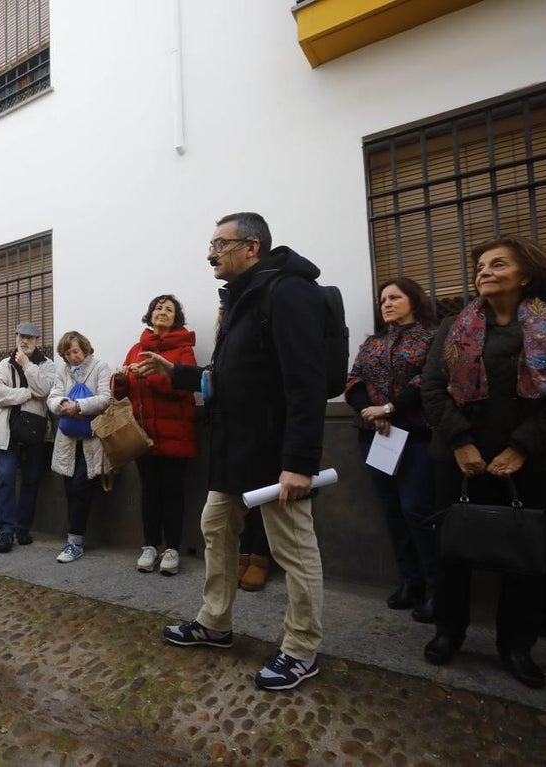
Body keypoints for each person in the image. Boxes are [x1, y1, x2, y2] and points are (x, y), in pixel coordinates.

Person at [143, 212, 328, 692]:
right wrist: (175, 371)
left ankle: (302, 648)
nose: (211, 253)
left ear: (252, 247)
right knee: (215, 527)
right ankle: (215, 622)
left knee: (292, 548)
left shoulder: (287, 292)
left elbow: (305, 382)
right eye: (210, 243)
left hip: (273, 453)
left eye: (219, 244)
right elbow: (225, 379)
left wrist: (300, 462)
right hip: (232, 450)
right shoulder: (241, 299)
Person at [421, 234, 546, 689]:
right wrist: (459, 441)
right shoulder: (455, 326)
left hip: (533, 463)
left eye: (498, 264)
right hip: (459, 461)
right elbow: (432, 389)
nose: (484, 272)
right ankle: (448, 633)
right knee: (453, 552)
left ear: (527, 274)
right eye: (480, 265)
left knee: (524, 560)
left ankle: (516, 646)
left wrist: (521, 447)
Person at [344, 277, 439, 622]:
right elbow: (354, 381)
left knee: (417, 510)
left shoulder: (432, 336)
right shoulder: (372, 343)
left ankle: (436, 590)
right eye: (383, 299)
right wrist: (372, 410)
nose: (386, 303)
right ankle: (409, 582)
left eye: (394, 297)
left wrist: (390, 409)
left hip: (416, 436)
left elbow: (427, 379)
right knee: (393, 511)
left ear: (413, 300)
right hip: (376, 436)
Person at [114, 295, 197, 575]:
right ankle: (150, 546)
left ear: (176, 318)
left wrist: (150, 375)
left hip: (176, 433)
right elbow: (120, 393)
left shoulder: (184, 348)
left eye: (169, 309)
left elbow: (183, 387)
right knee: (149, 492)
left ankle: (172, 549)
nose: (162, 312)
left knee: (173, 492)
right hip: (144, 435)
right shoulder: (137, 348)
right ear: (150, 315)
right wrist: (122, 379)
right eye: (158, 308)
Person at [47, 331, 112, 563]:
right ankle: (74, 538)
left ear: (84, 347)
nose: (72, 357)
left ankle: (75, 542)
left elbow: (106, 398)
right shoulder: (62, 371)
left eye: (75, 351)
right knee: (70, 490)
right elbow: (53, 396)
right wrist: (63, 403)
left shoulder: (100, 367)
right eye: (67, 353)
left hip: (91, 441)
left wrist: (79, 406)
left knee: (81, 489)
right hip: (68, 442)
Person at [0, 322, 55, 552]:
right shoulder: (2, 365)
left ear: (38, 341)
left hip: (35, 433)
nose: (24, 341)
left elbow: (46, 391)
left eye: (30, 338)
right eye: (21, 337)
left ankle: (23, 528)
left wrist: (28, 366)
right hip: (8, 432)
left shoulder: (47, 366)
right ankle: (6, 531)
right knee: (6, 479)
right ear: (16, 337)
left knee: (31, 481)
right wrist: (28, 393)